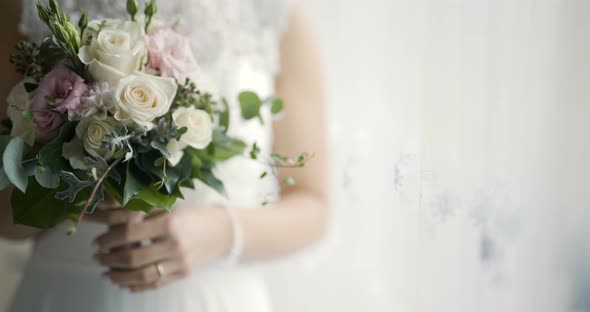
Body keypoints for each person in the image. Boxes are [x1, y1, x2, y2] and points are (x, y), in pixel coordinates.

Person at [0, 0, 327, 311]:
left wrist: (222, 231)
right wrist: (74, 194)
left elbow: (314, 204)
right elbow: (4, 217)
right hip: (69, 293)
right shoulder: (29, 6)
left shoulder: (271, 10)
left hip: (215, 295)